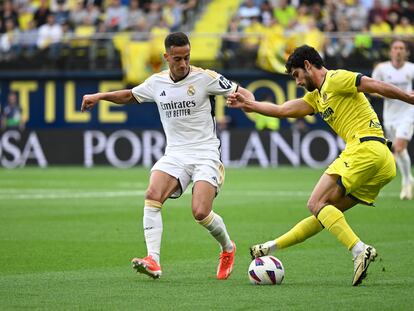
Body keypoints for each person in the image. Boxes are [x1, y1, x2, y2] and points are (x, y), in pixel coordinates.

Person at [227, 45, 414, 286]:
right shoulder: (317, 96)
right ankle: (272, 246)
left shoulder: (336, 78)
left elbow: (374, 85)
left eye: (296, 75)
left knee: (315, 203)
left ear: (307, 65)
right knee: (325, 212)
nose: (297, 82)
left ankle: (359, 250)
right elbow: (284, 110)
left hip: (364, 148)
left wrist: (409, 98)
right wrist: (250, 105)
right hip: (382, 161)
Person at [81, 32, 254, 280]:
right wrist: (99, 96)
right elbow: (130, 95)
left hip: (205, 153)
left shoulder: (205, 78)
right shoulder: (156, 83)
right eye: (177, 59)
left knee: (200, 212)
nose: (183, 64)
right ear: (166, 57)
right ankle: (153, 260)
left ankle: (228, 248)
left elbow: (245, 92)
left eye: (187, 58)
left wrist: (247, 103)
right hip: (175, 154)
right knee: (152, 195)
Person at [371, 40, 414, 200]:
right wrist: (388, 93)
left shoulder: (411, 68)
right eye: (395, 48)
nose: (398, 51)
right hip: (390, 115)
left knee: (399, 146)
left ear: (406, 52)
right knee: (398, 150)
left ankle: (405, 182)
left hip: (408, 112)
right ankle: (409, 178)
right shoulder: (381, 69)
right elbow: (372, 89)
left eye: (401, 48)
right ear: (391, 52)